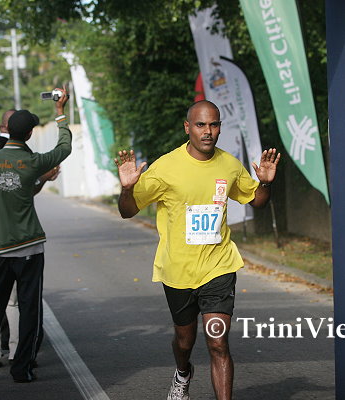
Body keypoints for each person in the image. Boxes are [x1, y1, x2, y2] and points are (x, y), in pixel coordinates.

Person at [115, 100, 280, 400]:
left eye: (214, 125)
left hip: (219, 267)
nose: (208, 131)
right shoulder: (166, 168)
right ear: (187, 127)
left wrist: (265, 184)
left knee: (218, 342)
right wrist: (127, 189)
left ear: (220, 128)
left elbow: (256, 200)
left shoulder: (229, 165)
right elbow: (128, 211)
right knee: (184, 341)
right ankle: (183, 372)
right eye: (201, 125)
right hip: (178, 271)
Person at [0, 88, 71, 384]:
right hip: (29, 247)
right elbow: (64, 147)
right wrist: (60, 112)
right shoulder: (33, 162)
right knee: (29, 309)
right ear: (30, 134)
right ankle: (22, 369)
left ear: (8, 131)